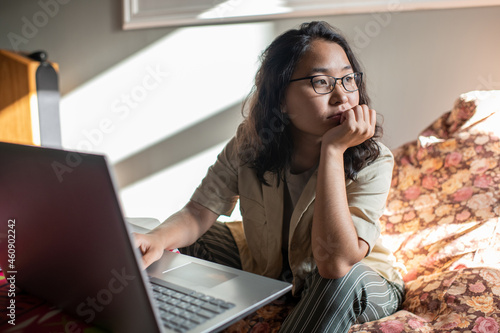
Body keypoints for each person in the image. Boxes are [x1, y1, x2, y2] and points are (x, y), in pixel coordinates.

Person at [134, 21, 404, 332]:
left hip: (359, 281)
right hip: (273, 270)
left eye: (347, 79)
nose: (342, 96)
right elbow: (198, 212)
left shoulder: (374, 158)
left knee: (341, 280)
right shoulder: (250, 144)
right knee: (174, 237)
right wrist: (155, 240)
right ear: (279, 99)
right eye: (321, 82)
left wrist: (333, 151)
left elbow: (335, 263)